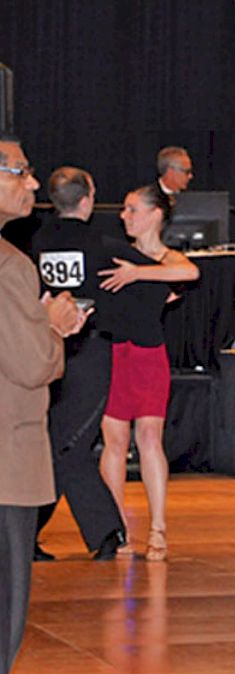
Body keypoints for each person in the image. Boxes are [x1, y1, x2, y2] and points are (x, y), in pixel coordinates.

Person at [0, 132, 88, 673]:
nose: (33, 183)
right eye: (20, 171)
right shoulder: (11, 266)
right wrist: (54, 328)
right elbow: (32, 365)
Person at [28, 167, 127, 562]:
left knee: (56, 443)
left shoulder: (36, 240)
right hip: (88, 354)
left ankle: (26, 533)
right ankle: (105, 532)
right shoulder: (103, 243)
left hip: (48, 353)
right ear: (88, 198)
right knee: (68, 446)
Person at [96, 185, 199, 561]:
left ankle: (158, 528)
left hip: (147, 355)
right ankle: (116, 528)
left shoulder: (166, 258)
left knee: (150, 437)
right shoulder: (111, 252)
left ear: (156, 215)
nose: (125, 215)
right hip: (111, 353)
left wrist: (138, 274)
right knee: (114, 442)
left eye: (132, 209)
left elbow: (190, 272)